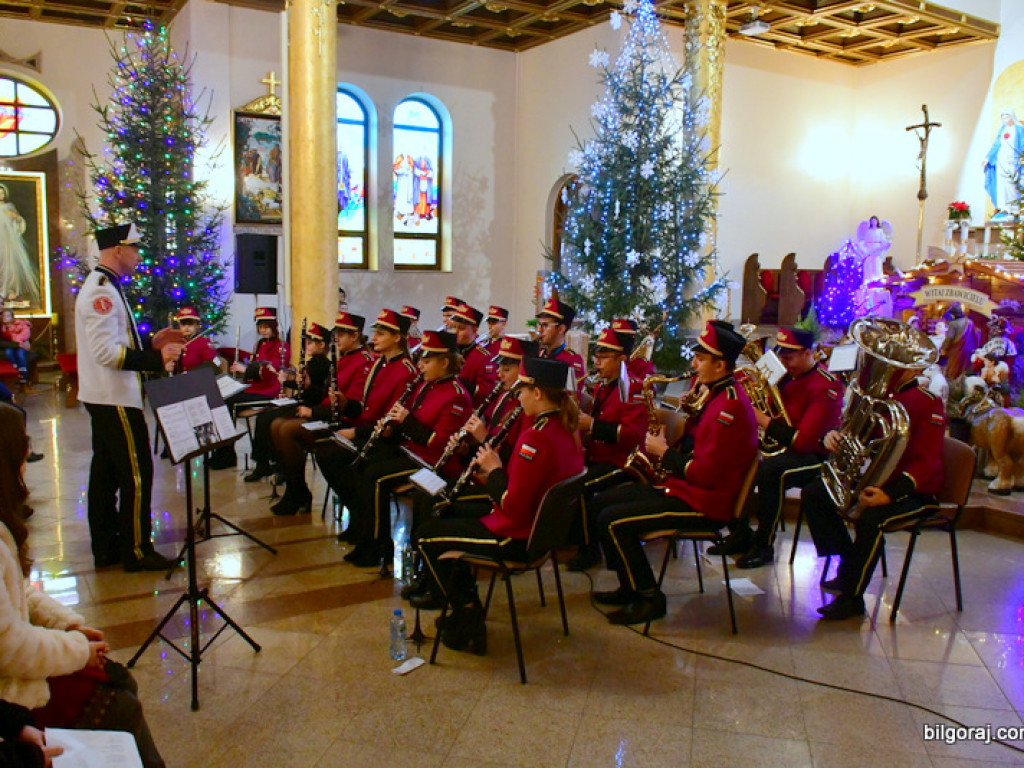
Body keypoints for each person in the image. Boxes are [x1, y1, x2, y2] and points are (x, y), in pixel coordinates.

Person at [0, 403, 165, 767]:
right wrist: (76, 650)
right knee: (117, 700)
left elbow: (20, 591)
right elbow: (8, 646)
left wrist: (68, 625)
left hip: (14, 663)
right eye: (22, 447)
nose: (28, 456)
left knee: (115, 676)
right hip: (9, 688)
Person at [410, 357, 584, 652]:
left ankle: (467, 616)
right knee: (446, 509)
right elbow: (525, 485)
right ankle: (464, 603)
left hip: (515, 536)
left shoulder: (536, 437)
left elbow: (512, 505)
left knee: (426, 536)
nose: (518, 396)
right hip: (536, 532)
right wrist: (489, 475)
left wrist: (494, 471)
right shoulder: (565, 428)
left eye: (522, 390)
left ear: (537, 393)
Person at [590, 320, 758, 626]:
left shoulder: (728, 408)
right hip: (690, 489)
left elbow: (705, 474)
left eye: (701, 358)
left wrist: (663, 453)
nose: (693, 364)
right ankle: (629, 585)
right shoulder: (717, 393)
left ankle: (648, 597)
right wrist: (692, 417)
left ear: (721, 364)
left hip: (707, 503)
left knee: (612, 521)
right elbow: (703, 447)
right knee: (603, 502)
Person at [75, 223, 182, 572]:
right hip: (114, 397)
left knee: (105, 475)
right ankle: (137, 550)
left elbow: (115, 343)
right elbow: (107, 353)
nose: (138, 256)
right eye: (134, 249)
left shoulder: (106, 286)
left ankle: (107, 548)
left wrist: (150, 343)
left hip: (107, 395)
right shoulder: (100, 292)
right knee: (137, 474)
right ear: (117, 250)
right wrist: (157, 359)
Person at [802, 366, 945, 620]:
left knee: (871, 519)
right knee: (815, 493)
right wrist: (834, 436)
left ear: (915, 367)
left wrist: (890, 494)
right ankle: (849, 564)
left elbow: (927, 463)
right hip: (873, 481)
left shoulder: (927, 402)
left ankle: (852, 597)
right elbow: (857, 434)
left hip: (913, 492)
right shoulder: (877, 397)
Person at [710, 328, 844, 568]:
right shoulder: (785, 376)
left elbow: (803, 442)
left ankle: (764, 546)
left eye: (790, 357)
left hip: (816, 456)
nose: (784, 362)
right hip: (783, 445)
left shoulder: (826, 386)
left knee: (771, 471)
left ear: (807, 353)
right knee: (730, 456)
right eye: (781, 356)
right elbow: (767, 405)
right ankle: (739, 532)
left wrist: (761, 419)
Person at [344, 330, 472, 568]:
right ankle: (364, 535)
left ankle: (378, 545)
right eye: (420, 360)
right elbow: (413, 425)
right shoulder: (426, 385)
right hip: (412, 451)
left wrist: (406, 421)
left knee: (376, 478)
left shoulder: (456, 396)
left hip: (432, 463)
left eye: (427, 361)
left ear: (444, 362)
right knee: (363, 465)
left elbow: (439, 443)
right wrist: (392, 429)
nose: (420, 366)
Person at [314, 308, 417, 540]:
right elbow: (364, 408)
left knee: (342, 460)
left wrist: (355, 431)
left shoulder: (406, 371)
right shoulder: (379, 364)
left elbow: (393, 424)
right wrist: (344, 404)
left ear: (397, 337)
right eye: (376, 333)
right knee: (325, 453)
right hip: (370, 431)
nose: (374, 339)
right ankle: (359, 515)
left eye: (381, 334)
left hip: (388, 440)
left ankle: (365, 525)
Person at [269, 312, 373, 516]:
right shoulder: (343, 359)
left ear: (355, 336)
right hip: (329, 414)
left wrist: (314, 411)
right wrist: (307, 387)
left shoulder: (364, 361)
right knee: (276, 424)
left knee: (288, 429)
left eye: (342, 334)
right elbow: (326, 395)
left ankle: (298, 494)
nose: (336, 338)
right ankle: (295, 489)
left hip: (343, 422)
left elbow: (349, 405)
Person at [567, 325, 646, 572]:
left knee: (580, 487)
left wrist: (592, 424)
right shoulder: (604, 384)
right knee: (566, 476)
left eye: (603, 357)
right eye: (596, 356)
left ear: (622, 359)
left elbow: (633, 435)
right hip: (600, 456)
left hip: (622, 462)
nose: (597, 362)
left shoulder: (634, 387)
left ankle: (589, 549)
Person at [244, 322, 331, 483]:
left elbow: (316, 394)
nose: (307, 345)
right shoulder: (312, 363)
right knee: (266, 415)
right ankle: (266, 462)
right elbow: (301, 386)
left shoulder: (323, 365)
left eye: (311, 342)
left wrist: (302, 384)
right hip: (302, 400)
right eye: (306, 342)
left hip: (309, 406)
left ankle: (278, 464)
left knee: (269, 419)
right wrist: (286, 381)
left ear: (322, 345)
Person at [208, 307, 290, 470]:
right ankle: (222, 449)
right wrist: (242, 369)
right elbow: (255, 366)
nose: (263, 330)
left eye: (267, 326)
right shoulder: (258, 345)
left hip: (270, 392)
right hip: (254, 388)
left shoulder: (282, 346)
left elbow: (272, 370)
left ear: (274, 327)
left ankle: (227, 454)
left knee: (230, 404)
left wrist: (245, 369)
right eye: (261, 327)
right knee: (220, 400)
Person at [449, 302, 497, 407]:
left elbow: (486, 393)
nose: (455, 332)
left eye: (461, 328)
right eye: (454, 327)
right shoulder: (448, 352)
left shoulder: (484, 357)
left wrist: (455, 380)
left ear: (474, 330)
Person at [0, 184, 39, 308]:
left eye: (2, 193)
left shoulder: (9, 207)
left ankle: (10, 289)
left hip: (9, 242)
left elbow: (19, 222)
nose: (1, 195)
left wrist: (17, 218)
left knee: (10, 265)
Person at [983, 109, 1024, 221]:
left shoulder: (1019, 129)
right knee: (1001, 184)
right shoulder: (1002, 129)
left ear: (1011, 116)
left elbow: (1022, 144)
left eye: (1006, 115)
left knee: (1012, 184)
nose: (1004, 118)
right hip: (1001, 161)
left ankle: (1015, 210)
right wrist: (988, 158)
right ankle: (1004, 209)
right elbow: (996, 145)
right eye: (1002, 116)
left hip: (1014, 161)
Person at [535, 297, 585, 382]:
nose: (539, 330)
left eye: (545, 325)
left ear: (561, 329)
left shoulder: (572, 360)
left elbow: (572, 394)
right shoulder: (538, 354)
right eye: (539, 325)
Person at [939, 303, 980, 381]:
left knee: (953, 371)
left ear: (953, 315)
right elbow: (977, 334)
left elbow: (949, 338)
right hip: (969, 350)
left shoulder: (953, 324)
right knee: (964, 369)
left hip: (957, 352)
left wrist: (943, 348)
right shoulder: (970, 322)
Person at [170, 307, 217, 373]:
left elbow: (209, 365)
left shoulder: (204, 342)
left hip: (197, 379)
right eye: (183, 324)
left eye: (190, 323)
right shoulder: (176, 343)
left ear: (197, 325)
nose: (186, 327)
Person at [0, 308, 33, 385]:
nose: (5, 317)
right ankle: (15, 369)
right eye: (4, 316)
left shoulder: (20, 324)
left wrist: (21, 341)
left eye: (8, 316)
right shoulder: (3, 328)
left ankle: (23, 374)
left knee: (20, 354)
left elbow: (26, 333)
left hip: (20, 344)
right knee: (9, 352)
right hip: (11, 346)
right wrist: (17, 343)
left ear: (12, 317)